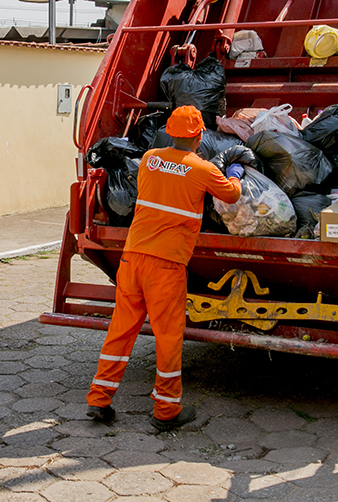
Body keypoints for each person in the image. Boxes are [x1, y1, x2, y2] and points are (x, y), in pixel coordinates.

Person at [86, 105, 243, 431]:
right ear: (200, 135)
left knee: (121, 330)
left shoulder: (148, 159)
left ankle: (99, 399)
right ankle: (166, 410)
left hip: (132, 258)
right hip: (166, 264)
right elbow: (230, 195)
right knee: (168, 336)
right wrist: (236, 171)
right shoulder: (202, 169)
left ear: (169, 132)